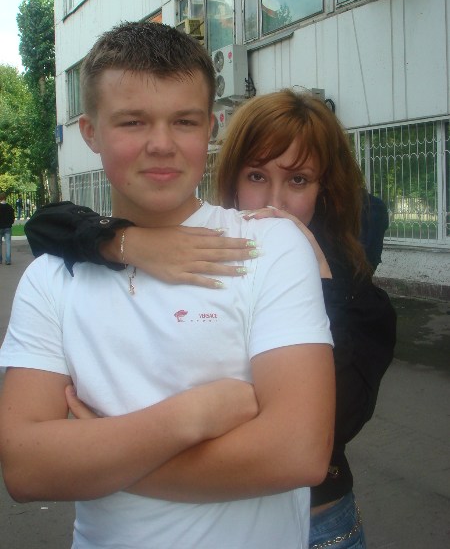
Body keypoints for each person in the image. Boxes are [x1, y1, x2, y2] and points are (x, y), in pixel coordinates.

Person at [0, 22, 335, 549]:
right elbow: (25, 468)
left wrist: (102, 455)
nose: (161, 145)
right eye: (133, 122)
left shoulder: (268, 247)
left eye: (184, 121)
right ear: (90, 132)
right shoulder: (52, 278)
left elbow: (297, 452)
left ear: (211, 127)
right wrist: (189, 418)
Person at [26, 89, 396, 548]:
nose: (275, 200)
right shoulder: (207, 251)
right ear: (232, 177)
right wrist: (124, 243)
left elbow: (310, 440)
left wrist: (106, 462)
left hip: (323, 528)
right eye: (256, 175)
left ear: (325, 191)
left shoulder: (364, 304)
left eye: (299, 180)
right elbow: (46, 225)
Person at [0, 192, 15, 265]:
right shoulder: (9, 207)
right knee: (8, 244)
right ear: (5, 198)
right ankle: (8, 260)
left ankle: (0, 259)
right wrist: (10, 223)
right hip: (8, 227)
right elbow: (13, 218)